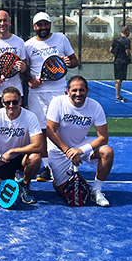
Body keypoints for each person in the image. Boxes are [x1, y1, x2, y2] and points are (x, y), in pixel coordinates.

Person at [44, 75, 114, 207]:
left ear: (87, 91)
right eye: (74, 90)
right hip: (58, 149)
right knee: (63, 191)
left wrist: (80, 151)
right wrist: (68, 151)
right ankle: (59, 179)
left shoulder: (95, 106)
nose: (78, 93)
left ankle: (96, 190)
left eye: (81, 90)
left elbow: (103, 137)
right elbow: (50, 131)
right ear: (67, 92)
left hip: (80, 145)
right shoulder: (58, 102)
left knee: (107, 152)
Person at [24, 12, 79, 182]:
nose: (43, 28)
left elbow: (74, 61)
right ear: (34, 27)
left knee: (59, 130)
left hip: (58, 92)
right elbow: (24, 71)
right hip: (37, 95)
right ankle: (47, 167)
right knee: (41, 131)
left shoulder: (61, 39)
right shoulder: (28, 45)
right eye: (39, 25)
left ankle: (62, 166)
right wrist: (30, 81)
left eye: (45, 24)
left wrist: (69, 63)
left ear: (49, 25)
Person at [0, 86, 43, 204]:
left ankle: (25, 184)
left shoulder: (30, 117)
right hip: (2, 160)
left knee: (35, 158)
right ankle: (14, 181)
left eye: (15, 102)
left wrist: (13, 151)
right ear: (2, 103)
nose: (11, 106)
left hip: (22, 157)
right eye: (7, 102)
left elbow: (38, 146)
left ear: (20, 101)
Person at [110, 25, 132, 102]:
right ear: (126, 32)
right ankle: (117, 96)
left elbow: (111, 49)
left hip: (116, 61)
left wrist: (116, 54)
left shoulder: (116, 40)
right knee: (119, 79)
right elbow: (127, 51)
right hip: (122, 61)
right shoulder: (126, 40)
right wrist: (129, 57)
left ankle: (118, 94)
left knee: (118, 78)